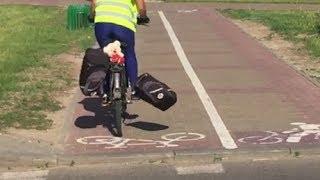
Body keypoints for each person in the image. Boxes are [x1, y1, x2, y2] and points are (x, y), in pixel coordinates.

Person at [86, 0, 149, 99]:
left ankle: (105, 91)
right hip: (123, 25)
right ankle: (134, 89)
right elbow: (140, 5)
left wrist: (91, 16)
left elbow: (94, 4)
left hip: (103, 25)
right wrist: (143, 17)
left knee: (106, 54)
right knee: (129, 54)